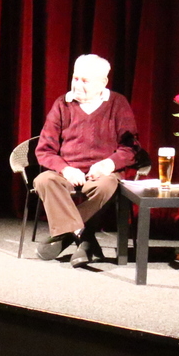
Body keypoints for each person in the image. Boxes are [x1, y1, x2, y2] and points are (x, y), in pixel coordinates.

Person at [32, 54, 138, 267]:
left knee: (108, 185)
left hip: (101, 173)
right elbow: (44, 150)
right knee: (43, 180)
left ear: (103, 82)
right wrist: (65, 169)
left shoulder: (117, 103)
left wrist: (107, 164)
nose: (77, 85)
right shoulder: (62, 104)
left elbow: (131, 147)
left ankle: (66, 234)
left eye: (85, 81)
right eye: (75, 78)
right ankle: (85, 236)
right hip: (68, 172)